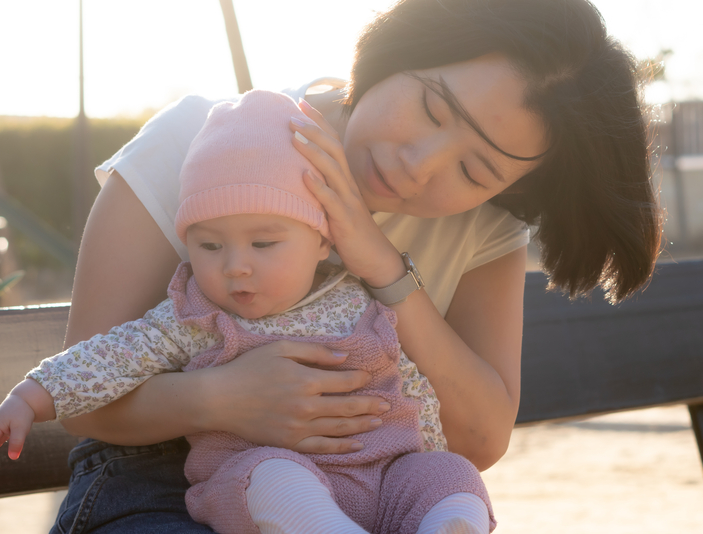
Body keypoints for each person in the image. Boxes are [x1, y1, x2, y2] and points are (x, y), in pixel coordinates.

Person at [35, 0, 661, 531]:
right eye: (432, 108)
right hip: (158, 484)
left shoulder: (482, 227)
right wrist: (221, 399)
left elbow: (477, 439)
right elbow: (83, 404)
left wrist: (383, 266)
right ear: (402, 48)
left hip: (374, 494)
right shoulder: (197, 140)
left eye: (474, 171)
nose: (419, 162)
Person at [0, 90, 494, 534]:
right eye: (209, 246)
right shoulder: (193, 315)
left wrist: (424, 451)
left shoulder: (358, 300)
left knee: (450, 477)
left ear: (322, 242)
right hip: (265, 482)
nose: (236, 267)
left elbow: (412, 387)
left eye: (264, 243)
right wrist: (32, 396)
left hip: (381, 474)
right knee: (271, 475)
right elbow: (109, 357)